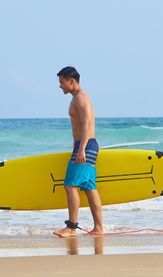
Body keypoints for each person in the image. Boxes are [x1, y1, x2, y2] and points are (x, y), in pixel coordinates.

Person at [53, 66, 104, 238]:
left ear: (71, 80)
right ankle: (98, 228)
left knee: (70, 185)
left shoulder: (80, 98)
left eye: (62, 82)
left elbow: (88, 124)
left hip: (85, 146)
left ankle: (72, 228)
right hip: (86, 145)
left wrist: (81, 148)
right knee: (89, 187)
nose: (60, 86)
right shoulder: (78, 98)